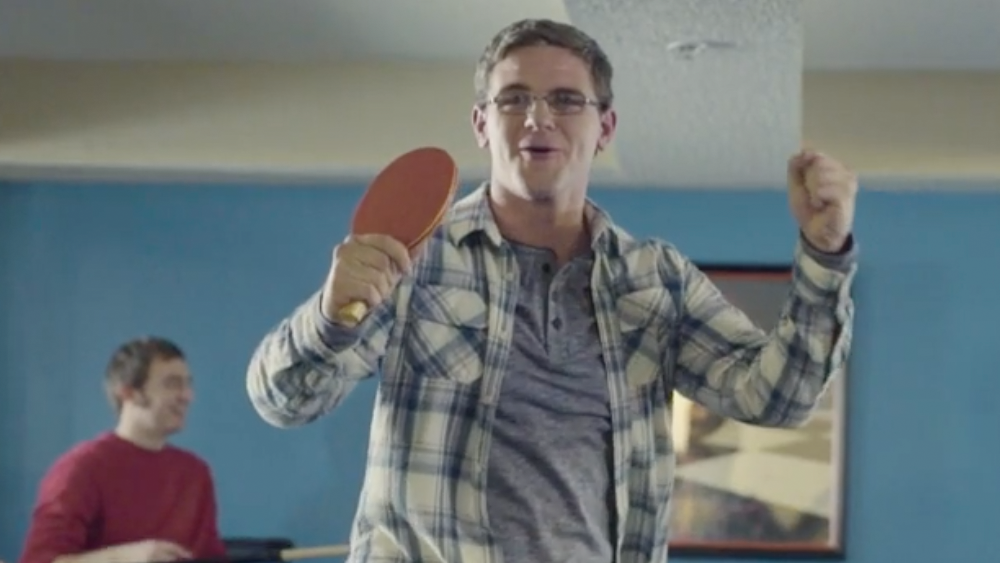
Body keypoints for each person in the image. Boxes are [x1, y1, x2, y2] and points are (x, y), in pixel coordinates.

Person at [245, 18, 858, 563]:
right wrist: (330, 314)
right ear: (483, 124)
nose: (539, 118)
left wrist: (825, 255)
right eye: (515, 100)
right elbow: (282, 399)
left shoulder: (655, 278)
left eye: (566, 100)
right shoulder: (414, 259)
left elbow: (778, 399)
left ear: (605, 127)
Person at [19, 337, 227, 563]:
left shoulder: (195, 473)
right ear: (128, 393)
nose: (187, 396)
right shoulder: (80, 469)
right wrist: (123, 558)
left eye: (188, 384)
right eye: (172, 383)